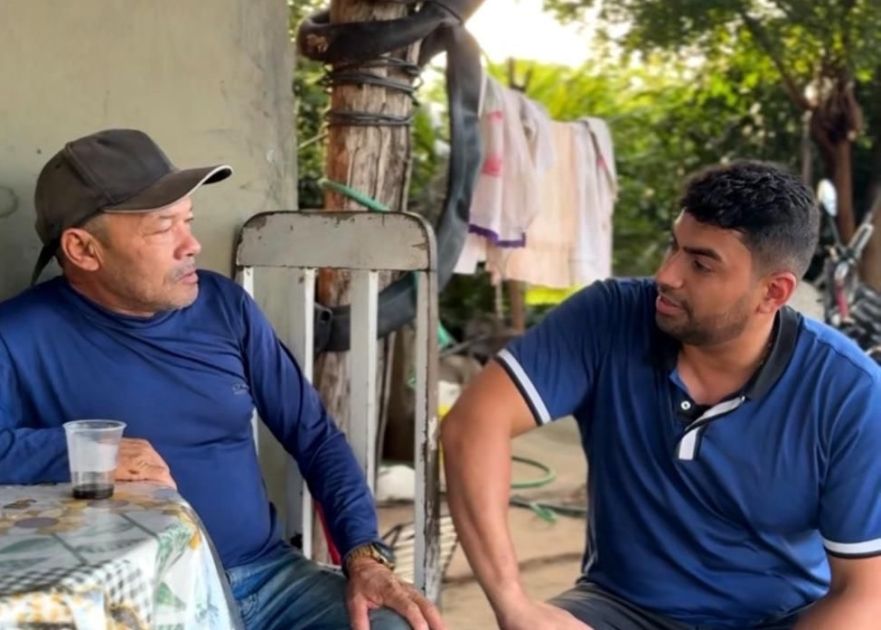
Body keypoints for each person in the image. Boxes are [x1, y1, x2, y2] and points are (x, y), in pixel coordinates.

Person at [0, 128, 444, 630]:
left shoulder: (225, 307)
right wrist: (84, 455)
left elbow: (314, 436)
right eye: (163, 228)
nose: (192, 245)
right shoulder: (17, 336)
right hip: (140, 600)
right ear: (83, 249)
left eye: (187, 221)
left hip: (271, 580)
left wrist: (364, 556)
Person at [441, 161, 881, 629]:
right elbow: (473, 425)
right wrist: (514, 603)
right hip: (618, 610)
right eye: (674, 246)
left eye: (701, 264)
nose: (666, 275)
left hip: (777, 620)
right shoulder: (608, 318)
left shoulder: (849, 394)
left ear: (773, 292)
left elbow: (865, 594)